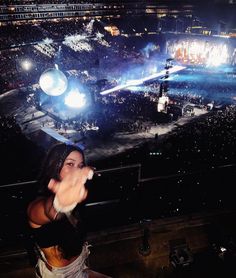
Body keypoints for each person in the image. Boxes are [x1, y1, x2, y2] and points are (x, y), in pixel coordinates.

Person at [27, 142, 111, 278]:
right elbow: (46, 211)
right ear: (54, 166)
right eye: (70, 164)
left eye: (80, 165)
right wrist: (60, 203)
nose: (76, 170)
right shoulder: (37, 203)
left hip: (81, 268)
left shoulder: (78, 198)